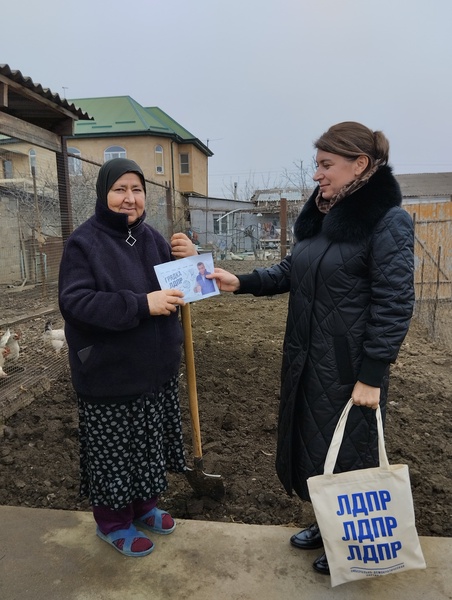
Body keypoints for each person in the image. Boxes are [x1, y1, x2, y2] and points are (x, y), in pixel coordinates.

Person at [207, 122, 415, 576]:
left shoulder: (387, 221)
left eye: (326, 165)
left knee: (350, 456)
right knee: (315, 448)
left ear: (360, 164)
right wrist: (240, 281)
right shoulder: (324, 215)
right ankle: (327, 524)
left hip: (350, 370)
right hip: (306, 356)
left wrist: (372, 374)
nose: (317, 175)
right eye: (317, 164)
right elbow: (292, 270)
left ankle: (355, 543)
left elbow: (396, 302)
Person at [58, 158, 197, 557]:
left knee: (148, 446)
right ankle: (113, 522)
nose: (129, 198)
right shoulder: (84, 243)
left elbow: (188, 291)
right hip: (109, 373)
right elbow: (76, 303)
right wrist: (141, 304)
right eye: (120, 189)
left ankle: (143, 507)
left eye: (136, 190)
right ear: (104, 194)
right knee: (115, 453)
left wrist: (191, 258)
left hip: (155, 372)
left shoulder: (154, 239)